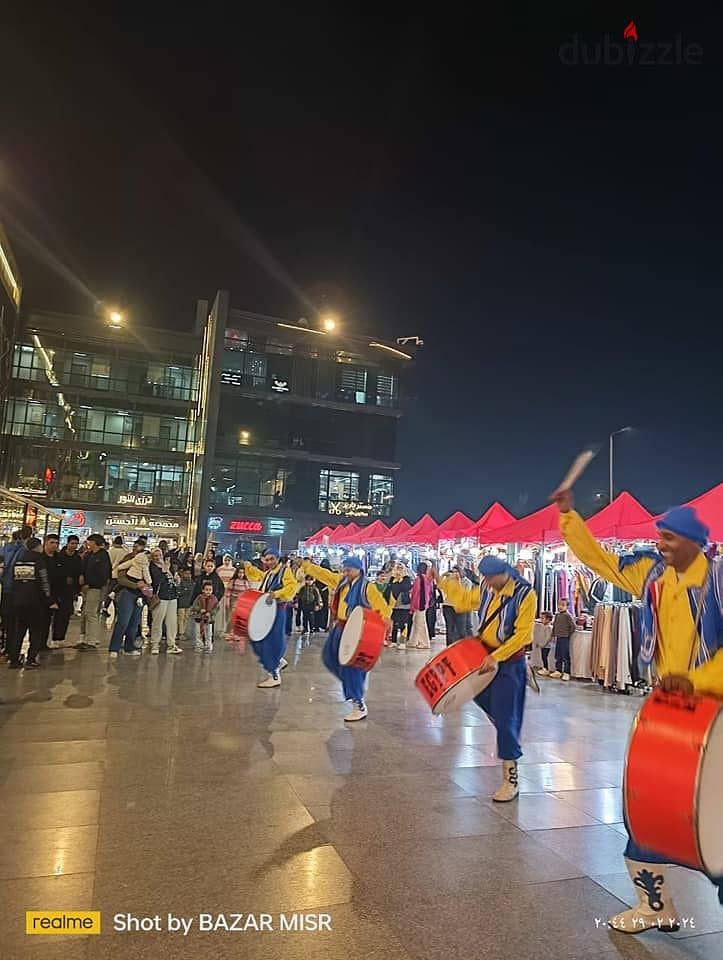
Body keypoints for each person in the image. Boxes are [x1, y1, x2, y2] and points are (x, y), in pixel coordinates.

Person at [553, 488, 723, 933]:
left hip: (716, 713)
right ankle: (655, 907)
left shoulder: (719, 581)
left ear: (695, 543)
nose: (659, 545)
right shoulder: (651, 573)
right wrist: (570, 519)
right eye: (659, 536)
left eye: (668, 538)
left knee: (718, 823)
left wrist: (699, 680)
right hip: (667, 713)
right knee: (645, 811)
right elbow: (601, 561)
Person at [435, 555, 536, 801]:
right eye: (485, 578)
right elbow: (463, 601)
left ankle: (510, 779)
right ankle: (507, 728)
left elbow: (524, 635)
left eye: (491, 578)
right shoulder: (486, 587)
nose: (487, 583)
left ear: (504, 573)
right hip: (481, 656)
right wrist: (442, 582)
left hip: (508, 664)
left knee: (505, 718)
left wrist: (498, 656)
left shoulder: (525, 595)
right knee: (484, 702)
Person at [301, 556, 392, 720]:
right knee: (329, 658)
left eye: (348, 569)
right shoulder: (342, 582)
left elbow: (381, 606)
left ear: (358, 569)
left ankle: (358, 703)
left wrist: (385, 621)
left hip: (356, 632)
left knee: (351, 667)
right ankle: (352, 684)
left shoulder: (367, 587)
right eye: (344, 569)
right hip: (340, 626)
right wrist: (308, 566)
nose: (345, 572)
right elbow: (325, 575)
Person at [240, 549, 298, 687]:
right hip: (269, 611)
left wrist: (276, 594)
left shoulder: (285, 571)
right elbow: (259, 576)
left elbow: (292, 587)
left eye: (272, 559)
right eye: (266, 559)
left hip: (278, 610)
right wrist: (248, 567)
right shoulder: (269, 573)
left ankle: (274, 674)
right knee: (263, 639)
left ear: (277, 558)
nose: (269, 562)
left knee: (271, 641)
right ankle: (278, 661)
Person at [8, 536, 57, 669]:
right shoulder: (39, 560)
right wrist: (49, 600)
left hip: (19, 600)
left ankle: (14, 660)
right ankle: (31, 659)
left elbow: (14, 580)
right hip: (35, 601)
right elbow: (44, 581)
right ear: (38, 547)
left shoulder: (19, 560)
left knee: (19, 631)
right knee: (36, 631)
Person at [109, 543, 148, 658]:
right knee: (123, 622)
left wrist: (145, 587)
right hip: (127, 594)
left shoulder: (146, 566)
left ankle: (129, 647)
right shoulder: (126, 563)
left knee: (135, 623)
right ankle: (114, 647)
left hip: (139, 596)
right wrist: (137, 585)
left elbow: (149, 580)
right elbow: (121, 580)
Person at [78, 534, 112, 650]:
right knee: (85, 613)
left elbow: (104, 575)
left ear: (94, 542)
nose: (87, 544)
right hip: (87, 588)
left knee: (91, 613)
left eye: (89, 541)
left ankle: (91, 640)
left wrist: (90, 584)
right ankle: (84, 637)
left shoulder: (103, 556)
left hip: (96, 588)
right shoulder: (90, 554)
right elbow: (84, 568)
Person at [48, 534, 83, 647]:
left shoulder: (77, 558)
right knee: (57, 615)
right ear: (67, 543)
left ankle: (61, 638)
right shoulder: (59, 556)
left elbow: (79, 572)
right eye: (72, 543)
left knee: (66, 614)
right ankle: (55, 638)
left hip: (70, 590)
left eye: (76, 544)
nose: (74, 546)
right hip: (58, 589)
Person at [148, 548, 183, 655]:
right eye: (155, 556)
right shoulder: (151, 567)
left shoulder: (168, 566)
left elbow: (173, 579)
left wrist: (176, 579)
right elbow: (154, 581)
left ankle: (171, 644)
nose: (158, 557)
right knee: (157, 621)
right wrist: (163, 572)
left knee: (172, 622)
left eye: (159, 555)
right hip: (160, 597)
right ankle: (155, 644)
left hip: (172, 597)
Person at [439, 566, 473, 645]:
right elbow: (440, 586)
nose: (454, 574)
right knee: (449, 628)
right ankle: (449, 647)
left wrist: (458, 581)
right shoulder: (449, 581)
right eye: (453, 572)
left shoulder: (467, 582)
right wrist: (444, 575)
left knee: (461, 629)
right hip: (448, 606)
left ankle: (461, 647)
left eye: (456, 572)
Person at [550, 597, 576, 680]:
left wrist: (568, 634)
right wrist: (553, 635)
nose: (560, 607)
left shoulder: (568, 616)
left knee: (565, 656)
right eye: (559, 605)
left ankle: (567, 672)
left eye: (563, 605)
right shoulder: (557, 615)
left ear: (567, 606)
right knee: (558, 655)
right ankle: (558, 670)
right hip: (558, 638)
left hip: (565, 638)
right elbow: (554, 626)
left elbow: (573, 626)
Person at [408, 561, 432, 649]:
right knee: (417, 623)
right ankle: (414, 641)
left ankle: (424, 642)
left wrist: (412, 606)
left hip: (419, 604)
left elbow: (415, 593)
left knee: (420, 624)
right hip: (424, 603)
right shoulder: (427, 579)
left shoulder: (419, 579)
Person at [190, 581, 219, 653]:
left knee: (209, 634)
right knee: (198, 633)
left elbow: (216, 608)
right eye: (206, 589)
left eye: (210, 590)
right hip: (199, 618)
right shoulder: (199, 598)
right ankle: (199, 645)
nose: (208, 592)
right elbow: (194, 606)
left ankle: (208, 646)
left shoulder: (214, 599)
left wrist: (211, 613)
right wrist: (200, 610)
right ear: (203, 590)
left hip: (209, 620)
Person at [388, 563, 412, 649]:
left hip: (404, 605)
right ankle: (394, 641)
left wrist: (399, 581)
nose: (399, 570)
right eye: (397, 568)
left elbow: (405, 588)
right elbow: (392, 588)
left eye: (401, 568)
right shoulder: (392, 578)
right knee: (395, 623)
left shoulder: (407, 578)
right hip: (394, 604)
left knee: (403, 624)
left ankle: (402, 642)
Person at [176, 567, 195, 641]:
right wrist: (184, 591)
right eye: (186, 574)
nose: (188, 575)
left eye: (189, 574)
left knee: (186, 618)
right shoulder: (180, 582)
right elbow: (178, 592)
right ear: (183, 574)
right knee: (180, 618)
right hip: (181, 604)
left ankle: (183, 632)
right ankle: (180, 633)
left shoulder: (192, 583)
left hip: (189, 603)